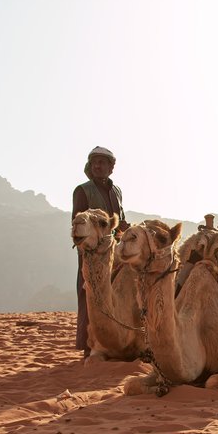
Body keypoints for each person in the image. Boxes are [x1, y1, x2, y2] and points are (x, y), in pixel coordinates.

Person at [73, 146, 130, 358]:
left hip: (115, 251)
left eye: (102, 162)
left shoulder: (117, 191)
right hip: (92, 254)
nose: (98, 166)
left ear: (111, 167)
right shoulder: (83, 190)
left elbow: (119, 219)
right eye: (94, 162)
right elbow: (77, 224)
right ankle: (88, 346)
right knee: (88, 293)